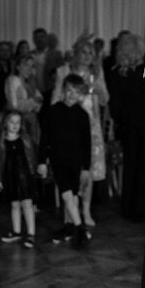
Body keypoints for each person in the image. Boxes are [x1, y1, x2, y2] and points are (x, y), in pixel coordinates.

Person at [52, 36, 108, 226]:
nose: (87, 56)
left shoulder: (97, 74)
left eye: (90, 53)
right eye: (83, 52)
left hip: (91, 128)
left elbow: (105, 100)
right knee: (71, 169)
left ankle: (86, 211)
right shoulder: (64, 72)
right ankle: (71, 213)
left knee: (88, 170)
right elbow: (55, 101)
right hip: (69, 127)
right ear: (76, 53)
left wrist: (97, 90)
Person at [107, 33, 145, 220]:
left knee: (137, 166)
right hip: (140, 126)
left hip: (139, 126)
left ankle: (135, 207)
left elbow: (116, 104)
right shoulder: (126, 71)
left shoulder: (130, 71)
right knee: (139, 167)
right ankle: (137, 207)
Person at [38, 74, 92, 247]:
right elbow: (44, 138)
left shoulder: (82, 115)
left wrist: (86, 167)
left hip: (76, 161)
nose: (72, 95)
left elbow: (87, 143)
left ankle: (70, 226)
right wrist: (41, 161)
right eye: (69, 91)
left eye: (76, 92)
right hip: (57, 159)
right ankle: (80, 228)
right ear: (63, 90)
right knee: (66, 194)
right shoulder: (53, 111)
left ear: (81, 94)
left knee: (73, 196)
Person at [0, 111, 38, 249]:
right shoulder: (1, 142)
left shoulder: (25, 140)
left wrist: (34, 172)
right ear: (6, 123)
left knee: (27, 204)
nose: (15, 125)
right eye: (12, 122)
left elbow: (32, 158)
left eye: (18, 123)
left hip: (24, 177)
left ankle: (31, 234)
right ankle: (16, 231)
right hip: (10, 177)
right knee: (14, 205)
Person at [5, 53, 43, 146]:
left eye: (32, 66)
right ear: (18, 66)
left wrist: (32, 102)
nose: (29, 69)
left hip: (32, 122)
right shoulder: (13, 80)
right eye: (26, 65)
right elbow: (13, 105)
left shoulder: (30, 82)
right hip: (18, 122)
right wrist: (32, 102)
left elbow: (40, 100)